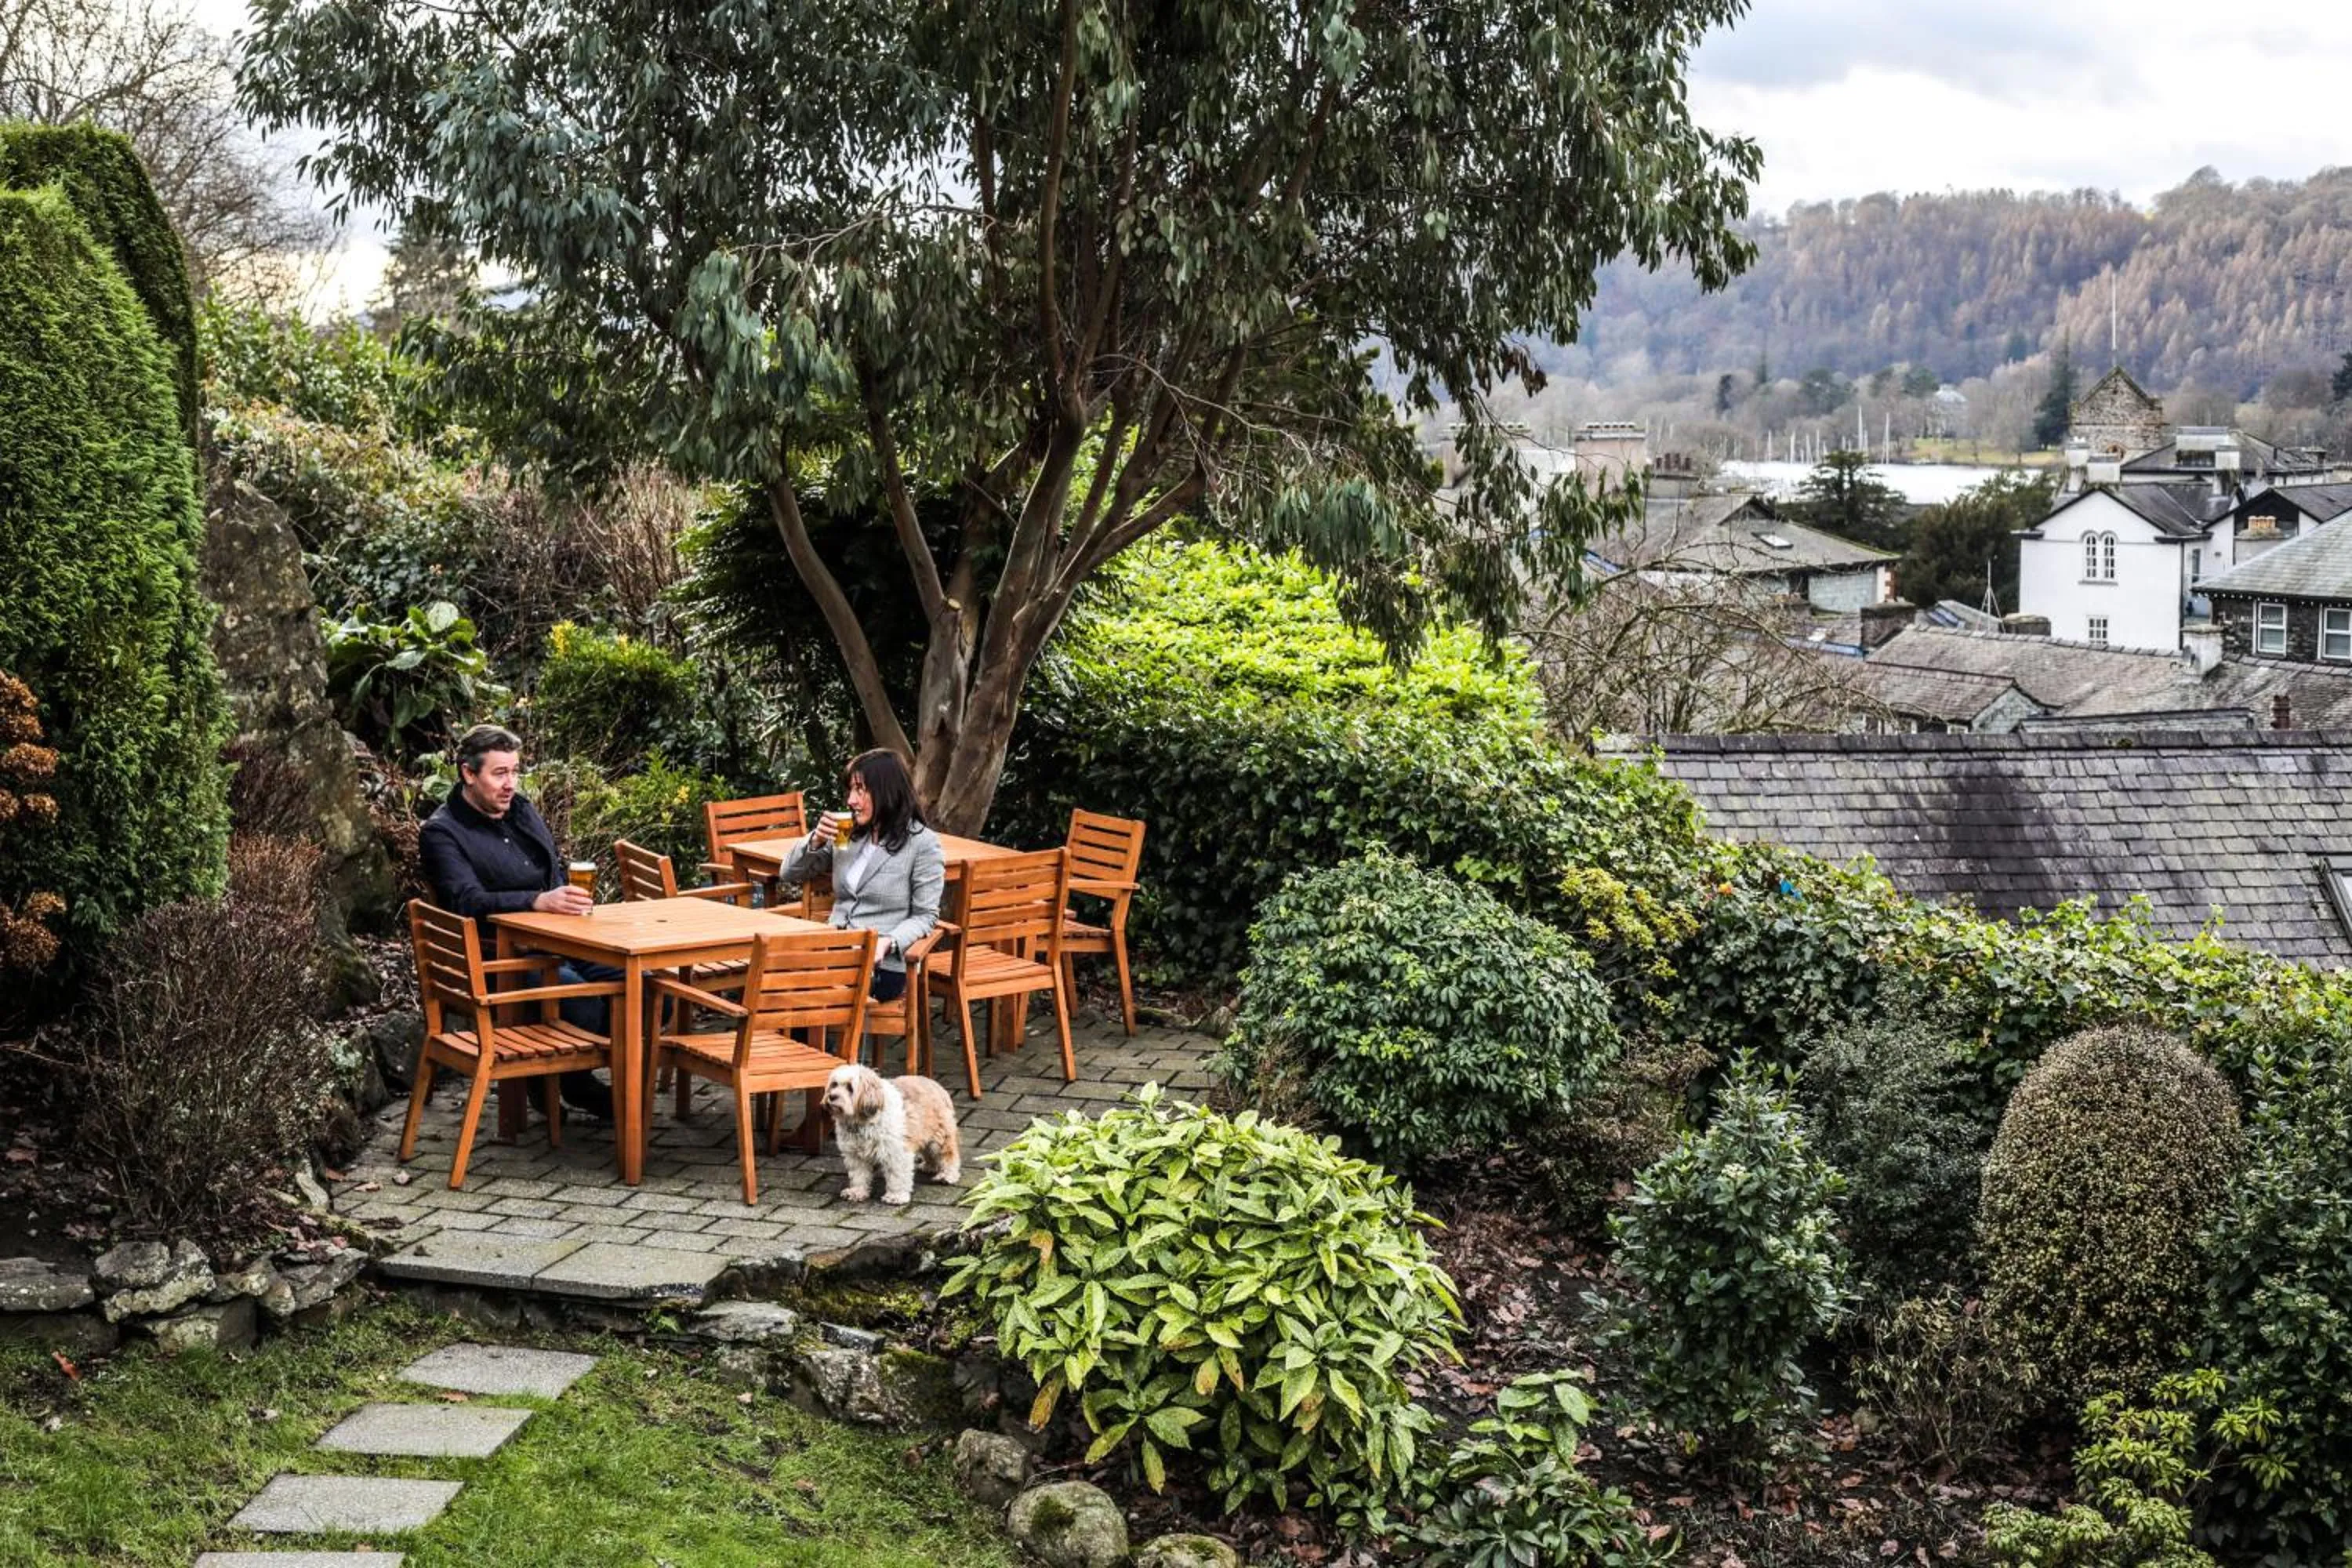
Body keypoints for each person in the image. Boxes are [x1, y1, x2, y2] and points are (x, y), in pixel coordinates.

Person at [416, 722, 617, 1120]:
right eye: (499, 773)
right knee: (585, 1002)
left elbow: (552, 870)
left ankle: (577, 1073)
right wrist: (537, 901)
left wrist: (566, 901)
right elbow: (465, 901)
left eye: (514, 772)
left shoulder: (521, 808)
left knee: (647, 986)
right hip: (502, 961)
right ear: (468, 774)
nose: (511, 784)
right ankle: (573, 1082)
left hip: (564, 939)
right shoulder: (442, 833)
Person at [781, 748, 945, 1001]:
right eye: (850, 791)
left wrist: (888, 942)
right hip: (834, 948)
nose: (851, 800)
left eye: (860, 790)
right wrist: (816, 840)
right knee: (777, 977)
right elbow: (789, 873)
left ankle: (818, 1041)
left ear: (886, 791)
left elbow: (925, 916)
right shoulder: (849, 832)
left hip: (882, 964)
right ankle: (811, 1041)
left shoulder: (922, 844)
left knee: (800, 988)